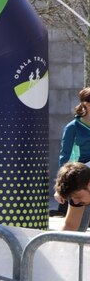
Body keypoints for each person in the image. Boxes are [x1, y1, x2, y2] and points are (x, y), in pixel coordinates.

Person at [58, 88, 90, 231]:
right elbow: (65, 157)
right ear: (87, 104)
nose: (76, 200)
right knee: (76, 228)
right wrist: (61, 187)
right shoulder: (72, 127)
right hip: (81, 179)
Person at [54, 162, 90, 226]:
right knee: (79, 228)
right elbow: (70, 225)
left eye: (78, 197)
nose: (76, 202)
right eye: (71, 198)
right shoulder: (77, 188)